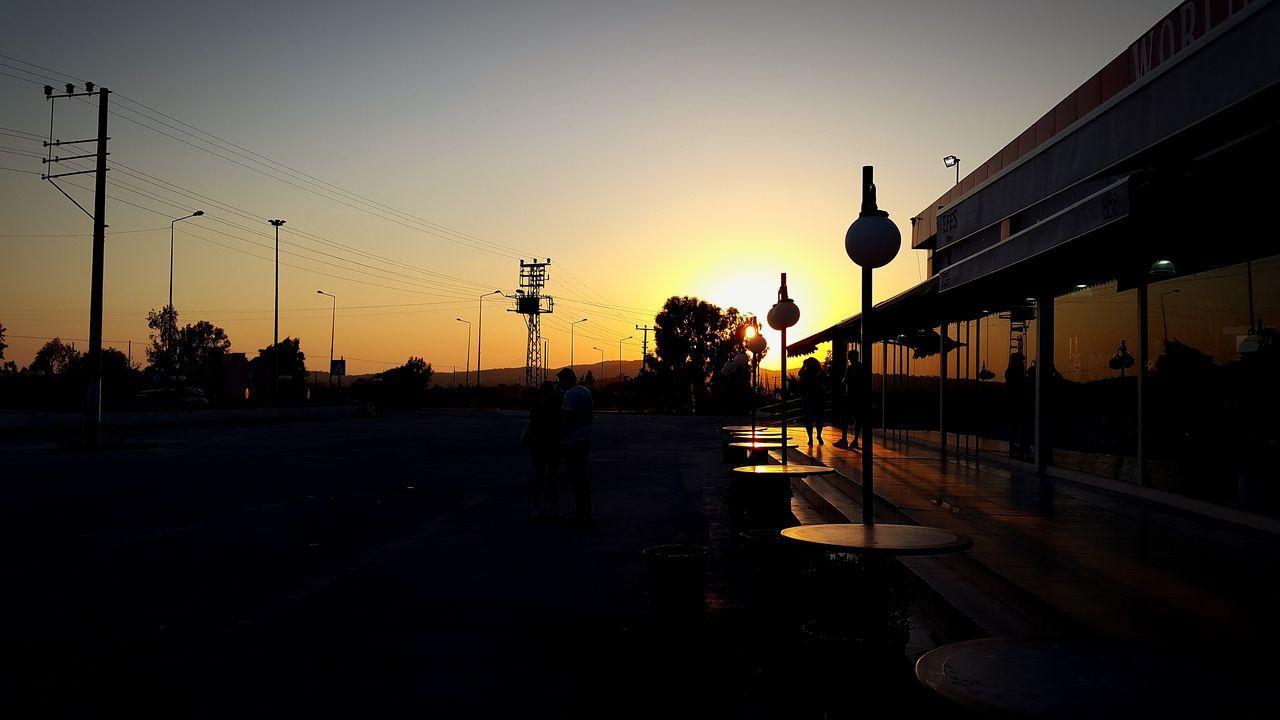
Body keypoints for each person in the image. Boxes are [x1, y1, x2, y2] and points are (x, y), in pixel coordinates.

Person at [557, 367, 594, 527]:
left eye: (560, 380)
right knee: (583, 477)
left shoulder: (569, 395)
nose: (559, 383)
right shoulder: (586, 392)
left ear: (566, 380)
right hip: (586, 438)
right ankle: (586, 511)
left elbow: (567, 419)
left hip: (572, 441)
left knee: (574, 478)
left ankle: (580, 514)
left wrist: (557, 436)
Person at [525, 380, 562, 520]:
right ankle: (552, 508)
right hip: (551, 444)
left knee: (539, 477)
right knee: (551, 478)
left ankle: (536, 507)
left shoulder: (536, 405)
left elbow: (533, 422)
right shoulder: (557, 405)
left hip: (539, 444)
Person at [833, 349, 864, 449]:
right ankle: (855, 440)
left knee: (845, 418)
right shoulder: (862, 367)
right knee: (858, 419)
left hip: (850, 396)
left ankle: (844, 439)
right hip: (859, 397)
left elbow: (844, 381)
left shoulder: (850, 368)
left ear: (850, 357)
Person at [798, 356, 825, 445]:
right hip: (818, 398)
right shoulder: (820, 373)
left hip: (808, 398)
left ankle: (810, 438)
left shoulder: (806, 373)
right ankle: (819, 435)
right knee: (819, 419)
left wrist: (803, 365)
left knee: (809, 420)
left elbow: (799, 373)